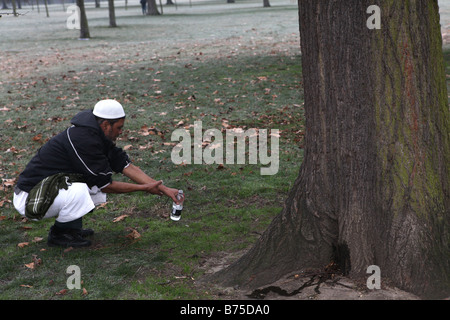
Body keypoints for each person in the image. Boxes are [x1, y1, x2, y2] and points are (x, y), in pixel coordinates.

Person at [13, 99, 182, 248]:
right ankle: (59, 235)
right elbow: (107, 185)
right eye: (119, 128)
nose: (121, 132)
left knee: (85, 185)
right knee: (82, 188)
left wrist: (163, 188)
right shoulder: (84, 139)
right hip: (29, 199)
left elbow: (124, 164)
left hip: (47, 189)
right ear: (105, 125)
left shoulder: (95, 132)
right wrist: (144, 188)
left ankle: (71, 229)